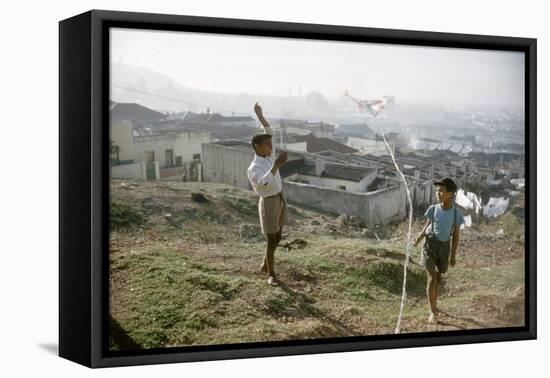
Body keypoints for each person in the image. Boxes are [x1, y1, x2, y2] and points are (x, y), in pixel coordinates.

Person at [247, 102, 289, 286]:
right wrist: (277, 165)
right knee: (271, 240)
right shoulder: (254, 167)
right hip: (269, 203)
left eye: (271, 145)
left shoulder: (268, 157)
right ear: (257, 146)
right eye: (267, 145)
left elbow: (269, 130)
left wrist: (260, 115)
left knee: (278, 236)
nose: (271, 148)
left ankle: (265, 264)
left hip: (279, 199)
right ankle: (271, 273)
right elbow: (264, 181)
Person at [413, 177, 465, 324]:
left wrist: (453, 256)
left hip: (444, 248)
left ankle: (434, 304)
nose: (438, 194)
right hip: (430, 244)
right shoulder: (433, 209)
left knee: (438, 277)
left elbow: (455, 237)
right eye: (437, 191)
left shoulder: (456, 214)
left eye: (442, 191)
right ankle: (432, 311)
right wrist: (418, 238)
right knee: (432, 277)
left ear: (451, 194)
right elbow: (427, 226)